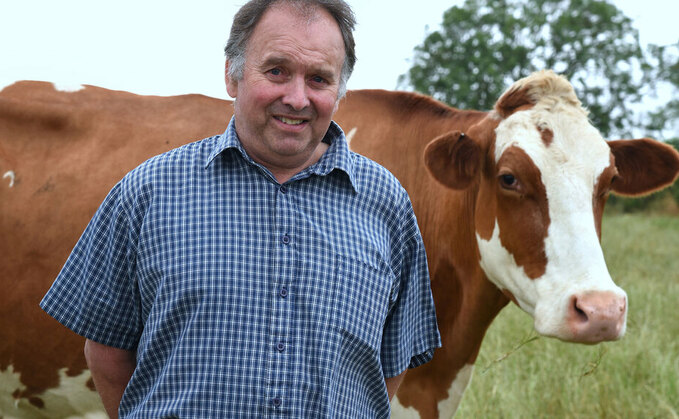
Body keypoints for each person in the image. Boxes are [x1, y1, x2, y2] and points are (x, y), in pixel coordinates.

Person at [40, 0, 441, 417]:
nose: (297, 98)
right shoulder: (148, 192)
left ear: (339, 92)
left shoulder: (387, 204)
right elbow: (106, 353)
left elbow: (388, 366)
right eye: (276, 71)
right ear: (232, 75)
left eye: (319, 79)